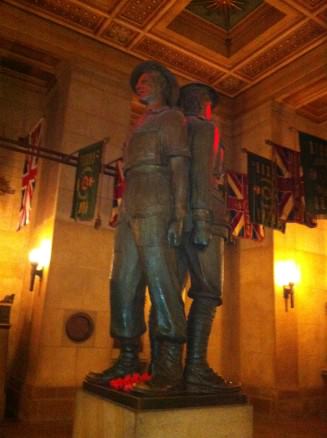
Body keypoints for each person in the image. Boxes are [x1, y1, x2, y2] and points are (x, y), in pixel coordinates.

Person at [86, 61, 190, 392]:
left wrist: (180, 211)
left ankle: (169, 364)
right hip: (132, 199)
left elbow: (179, 166)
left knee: (162, 278)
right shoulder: (139, 124)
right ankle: (128, 355)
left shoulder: (172, 118)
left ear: (161, 84)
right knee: (122, 281)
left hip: (158, 196)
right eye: (138, 82)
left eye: (145, 81)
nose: (139, 86)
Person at [176, 83, 235, 393]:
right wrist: (201, 218)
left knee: (170, 293)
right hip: (205, 220)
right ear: (203, 103)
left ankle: (167, 368)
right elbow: (202, 173)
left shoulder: (171, 130)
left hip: (174, 219)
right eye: (211, 103)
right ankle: (196, 366)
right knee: (207, 293)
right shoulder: (204, 127)